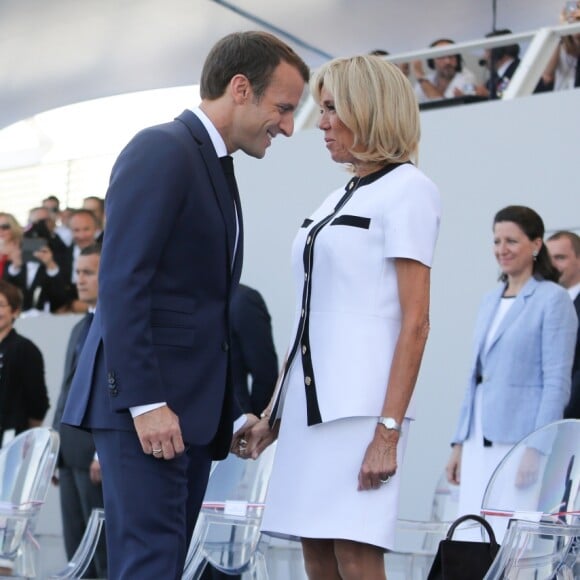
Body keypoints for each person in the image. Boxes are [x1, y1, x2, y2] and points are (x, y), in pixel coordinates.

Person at [61, 31, 309, 580]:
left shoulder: (213, 163)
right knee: (149, 567)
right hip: (149, 411)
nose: (290, 126)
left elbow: (201, 310)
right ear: (240, 88)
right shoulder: (163, 148)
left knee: (164, 567)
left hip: (186, 414)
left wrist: (232, 410)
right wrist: (146, 402)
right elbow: (123, 283)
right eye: (284, 108)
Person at [236, 55, 441, 580]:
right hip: (308, 408)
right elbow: (309, 318)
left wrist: (388, 432)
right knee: (315, 552)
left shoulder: (409, 190)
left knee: (354, 551)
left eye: (331, 109)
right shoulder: (337, 194)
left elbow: (415, 322)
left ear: (368, 110)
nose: (320, 123)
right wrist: (274, 415)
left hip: (362, 411)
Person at [446, 206, 577, 530]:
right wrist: (459, 443)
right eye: (496, 240)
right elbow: (475, 377)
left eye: (511, 241)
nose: (501, 249)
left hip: (518, 442)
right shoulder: (491, 299)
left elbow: (556, 381)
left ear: (535, 245)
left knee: (509, 536)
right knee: (471, 534)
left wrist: (536, 448)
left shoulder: (552, 299)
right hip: (478, 438)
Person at [201, 282, 278, 580]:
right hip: (191, 437)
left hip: (230, 439)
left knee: (220, 544)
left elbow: (265, 372)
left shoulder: (243, 301)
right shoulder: (189, 296)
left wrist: (252, 427)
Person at [52, 244, 106, 578]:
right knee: (76, 553)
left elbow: (113, 392)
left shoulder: (115, 325)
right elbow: (66, 393)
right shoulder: (78, 328)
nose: (80, 280)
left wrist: (103, 452)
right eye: (78, 273)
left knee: (101, 551)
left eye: (89, 273)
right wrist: (54, 450)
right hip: (70, 453)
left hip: (96, 456)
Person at [0, 279, 49, 447]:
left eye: (1, 305)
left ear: (15, 311)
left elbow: (38, 400)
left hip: (12, 438)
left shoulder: (25, 349)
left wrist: (29, 438)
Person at [547, 230, 580, 418]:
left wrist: (562, 417)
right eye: (548, 259)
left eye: (560, 258)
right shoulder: (541, 304)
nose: (552, 266)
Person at [412, 38, 477, 102]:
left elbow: (442, 104)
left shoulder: (468, 77)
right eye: (441, 57)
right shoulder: (426, 80)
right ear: (432, 61)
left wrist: (420, 76)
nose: (447, 61)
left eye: (451, 56)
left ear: (457, 59)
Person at [540, 3, 580, 91]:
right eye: (574, 19)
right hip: (562, 93)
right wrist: (561, 32)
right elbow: (547, 76)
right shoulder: (560, 44)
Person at [0, 213, 23, 279]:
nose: (0, 231)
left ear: (13, 227)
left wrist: (16, 266)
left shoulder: (22, 247)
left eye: (5, 227)